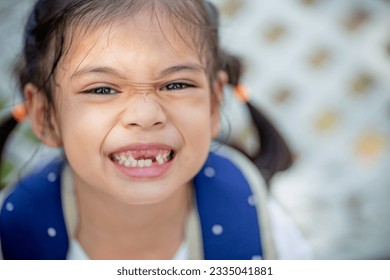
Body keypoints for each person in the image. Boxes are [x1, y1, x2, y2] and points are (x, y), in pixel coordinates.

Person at [0, 0, 302, 260]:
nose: (145, 116)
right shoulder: (12, 239)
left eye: (176, 84)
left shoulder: (263, 229)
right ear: (46, 116)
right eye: (103, 89)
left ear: (213, 104)